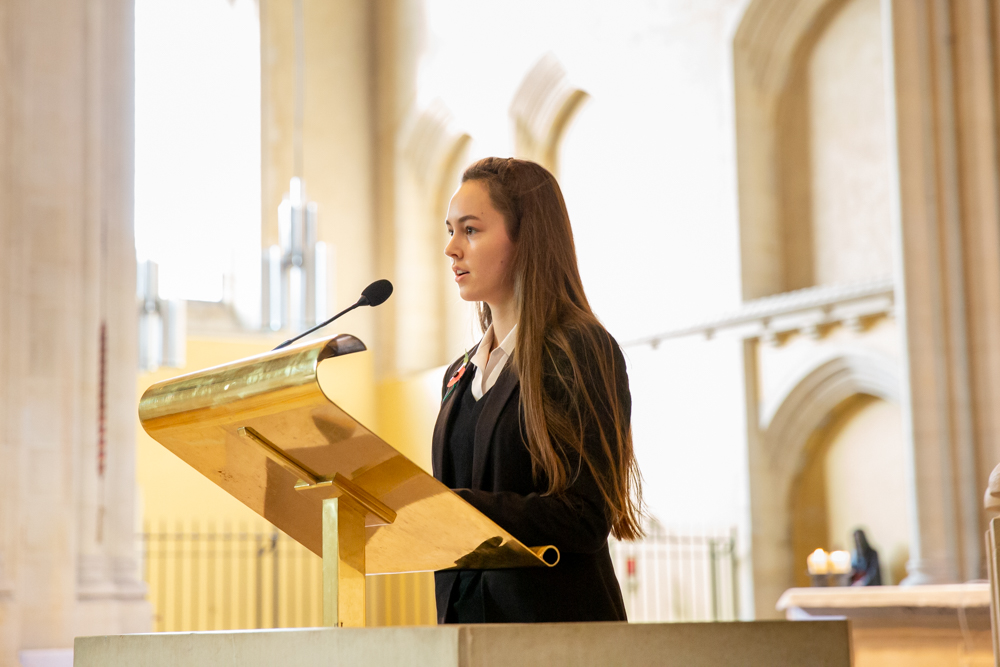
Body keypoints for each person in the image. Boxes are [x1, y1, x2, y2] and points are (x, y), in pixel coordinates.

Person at [432, 157, 643, 623]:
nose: (450, 248)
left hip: (558, 636)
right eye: (450, 230)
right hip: (465, 636)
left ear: (525, 236)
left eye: (470, 230)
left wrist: (459, 508)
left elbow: (585, 515)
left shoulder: (580, 348)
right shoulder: (458, 373)